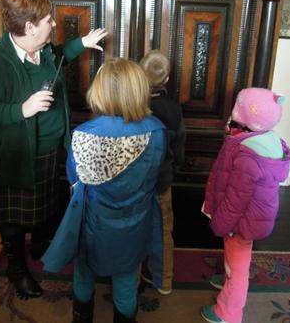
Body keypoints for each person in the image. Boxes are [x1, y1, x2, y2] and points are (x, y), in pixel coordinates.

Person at [0, 0, 107, 299]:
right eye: (47, 20)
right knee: (14, 218)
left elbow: (60, 54)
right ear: (30, 26)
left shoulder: (43, 50)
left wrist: (80, 44)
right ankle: (16, 268)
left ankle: (42, 247)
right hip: (15, 157)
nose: (53, 24)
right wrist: (23, 109)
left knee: (45, 207)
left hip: (50, 150)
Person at [42, 58, 166, 323]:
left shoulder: (84, 134)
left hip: (93, 223)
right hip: (135, 220)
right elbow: (153, 175)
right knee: (125, 277)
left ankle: (81, 318)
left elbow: (75, 181)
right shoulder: (156, 131)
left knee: (84, 271)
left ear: (99, 90)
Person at [201, 87, 290, 323]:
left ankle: (228, 312)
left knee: (238, 266)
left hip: (239, 222)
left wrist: (221, 223)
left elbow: (236, 198)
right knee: (238, 258)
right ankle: (229, 279)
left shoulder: (246, 154)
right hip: (251, 219)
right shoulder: (266, 141)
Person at [139, 49, 185, 295]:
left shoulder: (133, 105)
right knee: (164, 229)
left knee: (134, 228)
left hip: (136, 183)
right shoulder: (174, 110)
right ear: (166, 80)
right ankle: (164, 280)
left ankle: (132, 278)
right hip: (162, 181)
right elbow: (179, 147)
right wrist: (173, 169)